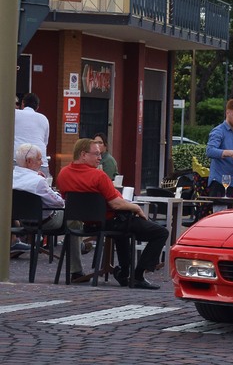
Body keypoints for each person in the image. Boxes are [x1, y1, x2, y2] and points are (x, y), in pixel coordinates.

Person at [56, 138, 169, 289]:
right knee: (160, 232)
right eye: (96, 154)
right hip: (110, 221)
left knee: (122, 229)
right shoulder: (99, 176)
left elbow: (66, 198)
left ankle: (124, 273)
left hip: (88, 225)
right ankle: (138, 275)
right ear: (83, 154)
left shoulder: (63, 174)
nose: (100, 157)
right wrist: (136, 208)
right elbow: (115, 203)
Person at [11, 144, 88, 278]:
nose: (42, 163)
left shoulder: (10, 177)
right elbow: (58, 203)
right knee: (74, 219)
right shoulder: (38, 181)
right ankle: (76, 268)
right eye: (39, 159)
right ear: (29, 161)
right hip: (46, 221)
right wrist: (55, 192)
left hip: (22, 222)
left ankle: (79, 245)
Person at [206, 99, 233, 197]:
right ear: (227, 112)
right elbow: (209, 151)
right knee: (221, 212)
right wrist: (231, 153)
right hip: (219, 182)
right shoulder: (218, 131)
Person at [14, 93, 50, 176]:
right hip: (40, 162)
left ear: (23, 103)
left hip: (17, 159)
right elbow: (45, 143)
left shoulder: (14, 114)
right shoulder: (44, 119)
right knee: (43, 185)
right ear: (37, 107)